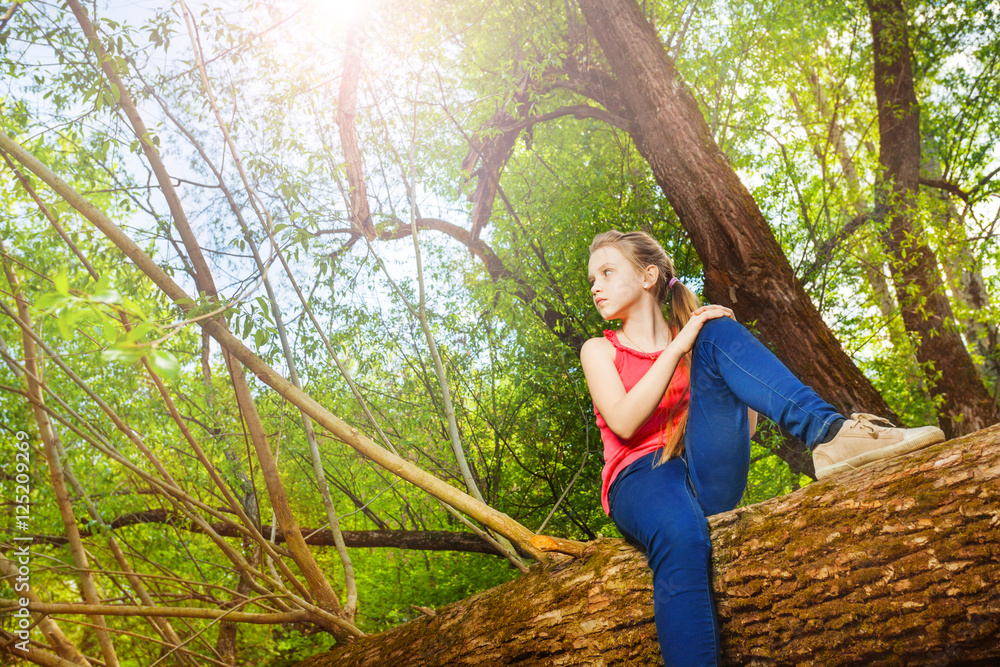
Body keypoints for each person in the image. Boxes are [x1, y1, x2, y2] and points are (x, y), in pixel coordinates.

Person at [580, 230, 945, 666]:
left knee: (717, 330)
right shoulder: (600, 349)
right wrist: (681, 345)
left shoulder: (698, 336)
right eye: (592, 280)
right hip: (642, 479)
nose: (596, 286)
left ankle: (830, 435)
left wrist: (717, 351)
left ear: (648, 276)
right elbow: (622, 421)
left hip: (703, 473)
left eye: (606, 272)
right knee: (681, 535)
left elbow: (743, 430)